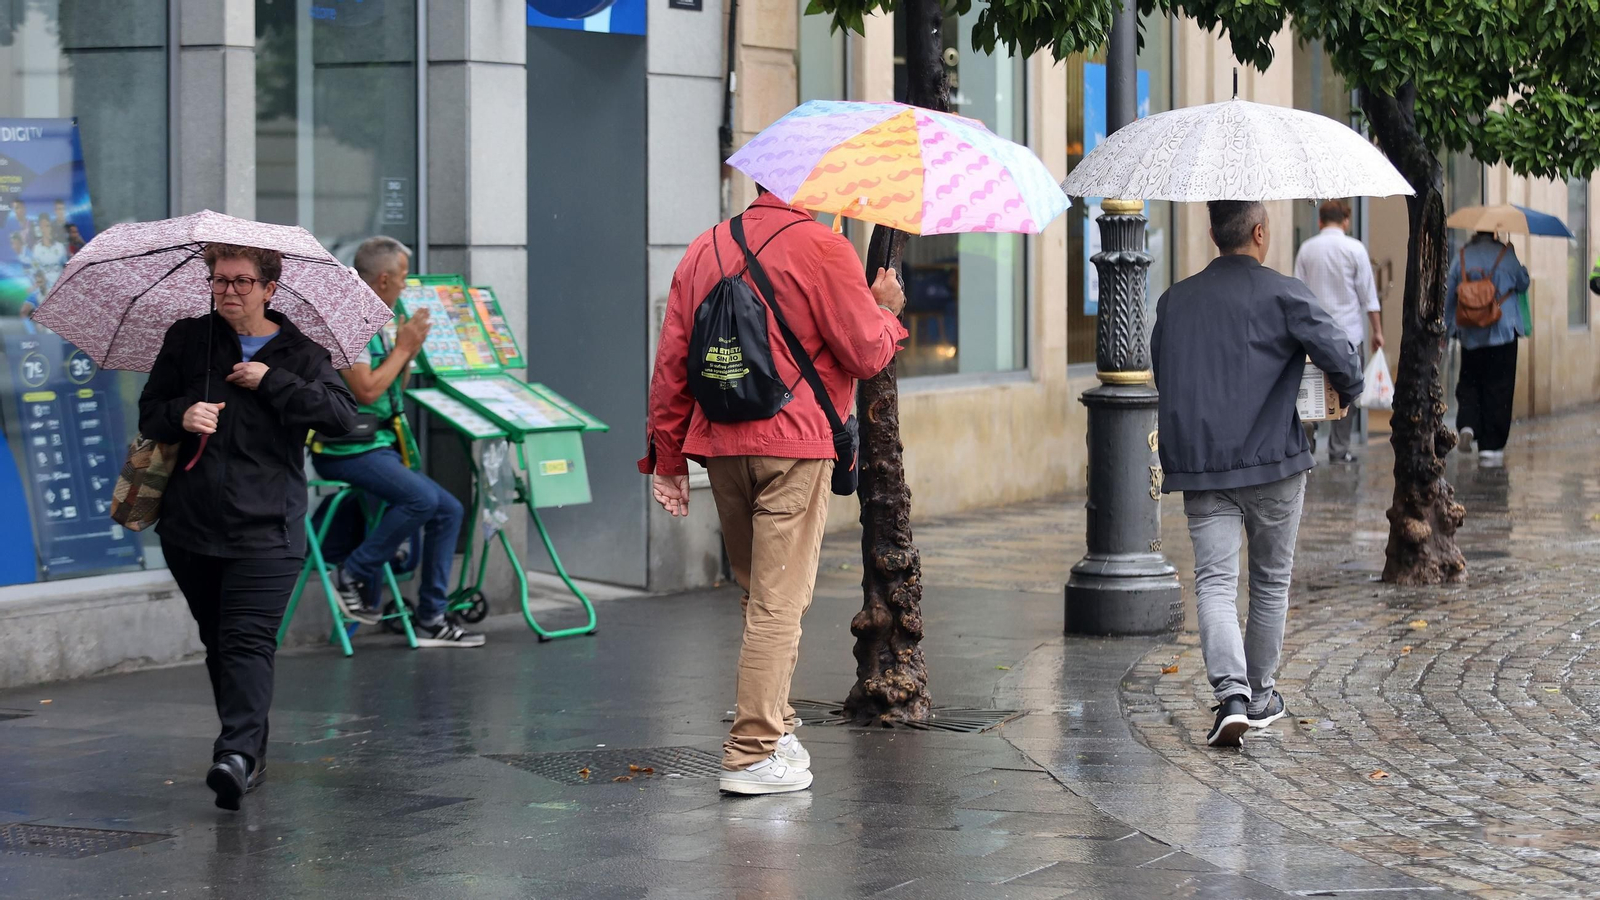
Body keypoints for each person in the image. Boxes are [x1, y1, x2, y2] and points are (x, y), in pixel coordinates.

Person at [642, 187, 907, 795]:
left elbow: (673, 363)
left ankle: (778, 724)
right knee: (779, 602)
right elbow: (865, 351)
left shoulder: (703, 248)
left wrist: (667, 457)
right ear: (808, 189)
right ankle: (752, 751)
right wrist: (885, 310)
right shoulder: (823, 246)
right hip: (794, 443)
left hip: (720, 444)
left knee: (758, 593)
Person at [138, 244, 357, 810]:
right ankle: (246, 753)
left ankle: (234, 754)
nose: (228, 291)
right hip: (190, 526)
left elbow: (341, 418)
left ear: (269, 289)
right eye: (218, 281)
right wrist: (184, 412)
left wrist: (271, 381)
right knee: (219, 641)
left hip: (267, 529)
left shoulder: (301, 353)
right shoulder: (189, 339)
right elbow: (150, 411)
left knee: (246, 640)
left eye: (240, 282)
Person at [1151, 201, 1362, 749]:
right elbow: (1343, 357)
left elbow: (1164, 369)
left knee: (1216, 584)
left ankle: (1232, 697)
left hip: (1203, 467)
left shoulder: (1175, 301)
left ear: (1213, 233)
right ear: (1261, 232)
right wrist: (1346, 390)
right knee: (1270, 580)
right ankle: (1263, 692)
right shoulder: (1284, 292)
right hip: (1275, 461)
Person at [310, 236, 482, 648]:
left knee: (449, 510)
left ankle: (432, 615)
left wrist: (407, 350)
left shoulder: (382, 318)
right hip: (345, 449)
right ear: (384, 278)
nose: (407, 286)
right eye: (403, 277)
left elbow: (394, 387)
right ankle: (351, 573)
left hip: (381, 444)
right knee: (422, 501)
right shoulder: (349, 320)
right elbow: (368, 391)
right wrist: (403, 347)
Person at [1293, 199, 1382, 463]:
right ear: (1345, 221)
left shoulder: (1307, 250)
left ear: (1320, 221)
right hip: (1349, 335)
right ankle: (1339, 448)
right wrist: (1377, 331)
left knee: (1310, 388)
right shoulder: (1355, 249)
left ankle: (1309, 438)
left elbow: (1297, 293)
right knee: (1349, 390)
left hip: (1313, 336)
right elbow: (1369, 296)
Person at [1443, 231, 1529, 467]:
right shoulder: (1505, 255)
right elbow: (1523, 283)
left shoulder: (1461, 257)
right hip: (1502, 332)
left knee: (1470, 382)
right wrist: (1512, 255)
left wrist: (1447, 330)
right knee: (1499, 387)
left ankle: (1468, 423)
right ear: (1494, 234)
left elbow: (1450, 296)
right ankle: (1491, 447)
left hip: (1470, 333)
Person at [30, 217, 67, 291]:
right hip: (46, 290)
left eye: (50, 226)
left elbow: (66, 267)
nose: (49, 229)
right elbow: (36, 271)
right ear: (41, 229)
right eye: (46, 226)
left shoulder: (60, 247)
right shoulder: (37, 249)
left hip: (61, 289)